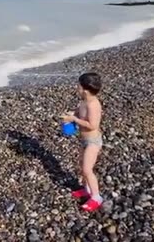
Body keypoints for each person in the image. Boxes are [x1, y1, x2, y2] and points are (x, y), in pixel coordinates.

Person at [61, 72, 103, 212]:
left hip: (93, 141)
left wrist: (75, 120)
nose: (76, 87)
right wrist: (71, 115)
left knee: (87, 169)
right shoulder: (84, 101)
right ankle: (86, 190)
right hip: (84, 140)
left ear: (85, 89)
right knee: (81, 165)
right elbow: (79, 112)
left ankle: (96, 197)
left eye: (78, 85)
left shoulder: (93, 105)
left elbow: (93, 125)